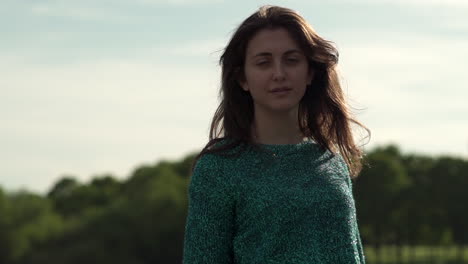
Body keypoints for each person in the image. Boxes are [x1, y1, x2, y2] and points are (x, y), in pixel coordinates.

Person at [182, 5, 370, 264]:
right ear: (242, 79)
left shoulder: (331, 162)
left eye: (291, 60)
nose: (279, 74)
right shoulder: (218, 169)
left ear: (310, 73)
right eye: (263, 62)